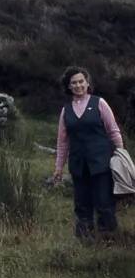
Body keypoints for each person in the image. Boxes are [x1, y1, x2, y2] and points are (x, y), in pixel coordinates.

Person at [52, 66, 125, 240]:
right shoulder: (66, 110)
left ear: (87, 83)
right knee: (82, 204)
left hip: (101, 163)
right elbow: (63, 142)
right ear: (69, 87)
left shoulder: (99, 103)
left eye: (81, 81)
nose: (78, 85)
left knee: (104, 202)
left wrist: (121, 155)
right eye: (74, 83)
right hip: (78, 165)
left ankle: (109, 238)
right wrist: (58, 168)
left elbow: (113, 131)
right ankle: (85, 238)